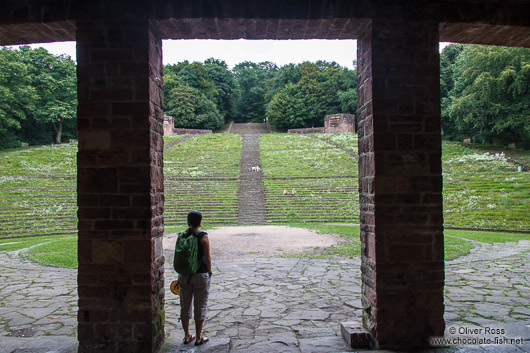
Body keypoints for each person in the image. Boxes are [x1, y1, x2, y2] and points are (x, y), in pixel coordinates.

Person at [178, 210, 212, 346]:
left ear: (188, 221)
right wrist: (209, 271)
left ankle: (187, 336)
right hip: (200, 274)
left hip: (184, 275)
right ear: (200, 222)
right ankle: (198, 337)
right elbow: (208, 257)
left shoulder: (181, 236)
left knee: (185, 305)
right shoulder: (203, 236)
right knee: (200, 306)